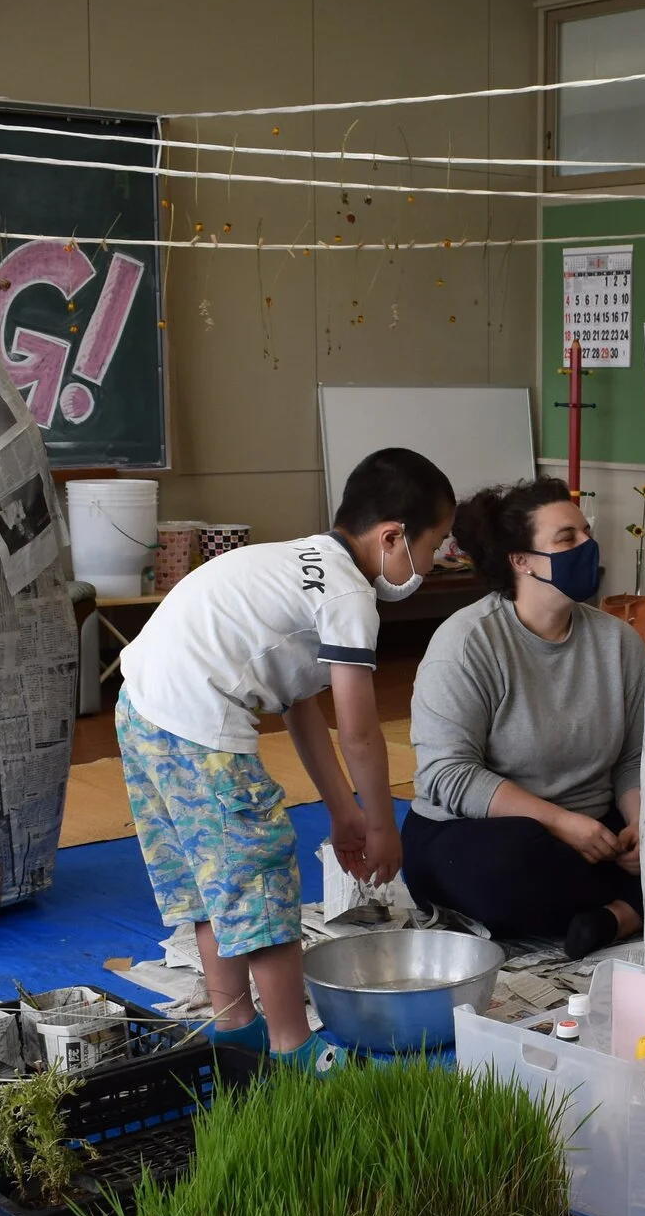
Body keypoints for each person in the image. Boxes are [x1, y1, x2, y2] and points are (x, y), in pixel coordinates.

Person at [114, 448, 455, 1072]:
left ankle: (234, 1027)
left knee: (211, 879)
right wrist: (381, 824)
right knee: (258, 874)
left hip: (141, 706)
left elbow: (300, 704)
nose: (430, 566)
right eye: (432, 547)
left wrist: (342, 810)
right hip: (198, 720)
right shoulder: (350, 596)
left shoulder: (298, 561)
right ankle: (294, 1049)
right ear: (391, 538)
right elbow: (357, 729)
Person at [404, 478, 645, 959]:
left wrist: (641, 827)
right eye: (566, 539)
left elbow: (634, 756)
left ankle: (617, 911)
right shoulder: (468, 643)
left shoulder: (619, 642)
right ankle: (633, 908)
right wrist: (560, 824)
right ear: (520, 560)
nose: (587, 546)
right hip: (482, 832)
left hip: (598, 831)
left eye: (586, 533)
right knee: (507, 864)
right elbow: (446, 774)